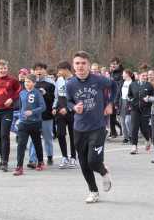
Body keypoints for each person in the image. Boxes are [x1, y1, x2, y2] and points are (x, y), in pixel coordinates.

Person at [66, 51, 116, 203]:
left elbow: (115, 86)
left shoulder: (99, 80)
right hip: (79, 128)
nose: (80, 66)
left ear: (88, 64)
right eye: (77, 63)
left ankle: (104, 172)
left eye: (83, 63)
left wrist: (110, 103)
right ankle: (93, 191)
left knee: (93, 161)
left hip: (97, 126)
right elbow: (68, 101)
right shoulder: (70, 84)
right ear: (73, 66)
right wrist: (74, 108)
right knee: (83, 163)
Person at [13, 74, 46, 176]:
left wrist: (32, 112)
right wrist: (20, 117)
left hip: (35, 123)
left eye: (29, 82)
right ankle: (19, 167)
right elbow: (21, 107)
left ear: (34, 83)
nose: (27, 84)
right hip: (23, 123)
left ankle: (40, 162)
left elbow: (43, 107)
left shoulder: (37, 93)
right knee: (21, 145)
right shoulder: (22, 93)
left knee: (37, 143)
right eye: (26, 82)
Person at [28, 63, 55, 167]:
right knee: (33, 138)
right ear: (33, 71)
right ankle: (32, 159)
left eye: (41, 69)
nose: (39, 71)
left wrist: (45, 94)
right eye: (37, 70)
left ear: (45, 70)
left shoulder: (50, 84)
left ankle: (49, 156)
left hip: (46, 115)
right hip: (34, 116)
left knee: (47, 137)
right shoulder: (31, 83)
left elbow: (53, 99)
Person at [53, 61, 77, 169]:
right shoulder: (59, 80)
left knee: (73, 135)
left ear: (66, 69)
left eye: (60, 70)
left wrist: (68, 108)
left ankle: (73, 157)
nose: (59, 72)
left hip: (72, 112)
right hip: (60, 111)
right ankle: (64, 156)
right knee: (60, 134)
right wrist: (54, 107)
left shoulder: (75, 80)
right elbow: (57, 96)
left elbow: (77, 98)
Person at [128, 66, 154, 154]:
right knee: (134, 128)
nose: (145, 77)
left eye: (146, 76)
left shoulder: (149, 85)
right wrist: (131, 101)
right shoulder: (133, 84)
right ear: (139, 76)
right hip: (134, 109)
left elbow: (153, 97)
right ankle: (134, 146)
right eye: (143, 75)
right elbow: (129, 95)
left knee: (144, 128)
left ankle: (148, 139)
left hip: (145, 110)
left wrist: (149, 100)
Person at [115, 69, 133, 144]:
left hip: (129, 102)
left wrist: (131, 104)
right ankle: (126, 138)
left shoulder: (133, 83)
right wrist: (116, 103)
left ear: (128, 74)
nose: (122, 75)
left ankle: (131, 136)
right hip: (122, 102)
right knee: (122, 121)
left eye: (123, 74)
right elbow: (118, 93)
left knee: (128, 121)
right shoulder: (122, 82)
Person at [109, 57, 123, 137]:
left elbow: (120, 85)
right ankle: (114, 132)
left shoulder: (121, 73)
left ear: (118, 64)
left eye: (115, 64)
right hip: (110, 96)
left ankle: (115, 131)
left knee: (113, 115)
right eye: (112, 64)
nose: (113, 65)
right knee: (111, 115)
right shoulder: (111, 72)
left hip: (117, 96)